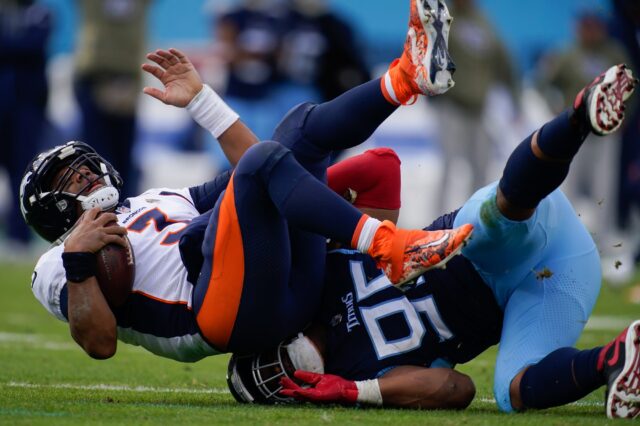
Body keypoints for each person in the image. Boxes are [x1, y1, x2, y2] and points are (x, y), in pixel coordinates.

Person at [21, 0, 472, 363]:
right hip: (222, 315)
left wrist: (202, 101)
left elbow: (261, 168)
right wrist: (80, 262)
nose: (84, 174)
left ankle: (406, 78)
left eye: (82, 166)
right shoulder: (58, 261)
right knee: (254, 175)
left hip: (273, 279)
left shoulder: (152, 199)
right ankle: (388, 247)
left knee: (334, 145)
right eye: (68, 178)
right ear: (50, 208)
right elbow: (100, 344)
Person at [228, 62, 640, 419]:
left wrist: (309, 198)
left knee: (492, 224)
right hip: (555, 279)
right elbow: (456, 388)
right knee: (513, 394)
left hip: (481, 249)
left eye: (270, 363)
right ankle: (616, 358)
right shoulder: (356, 376)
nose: (280, 367)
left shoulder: (321, 270)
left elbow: (381, 168)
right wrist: (359, 391)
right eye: (276, 378)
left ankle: (577, 119)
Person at [73, 0, 153, 198]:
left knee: (123, 158)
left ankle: (126, 213)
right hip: (94, 78)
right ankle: (91, 212)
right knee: (93, 157)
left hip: (127, 80)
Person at [0, 0, 52, 250]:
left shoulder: (40, 13)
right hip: (5, 104)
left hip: (27, 108)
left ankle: (19, 237)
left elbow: (33, 45)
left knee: (22, 170)